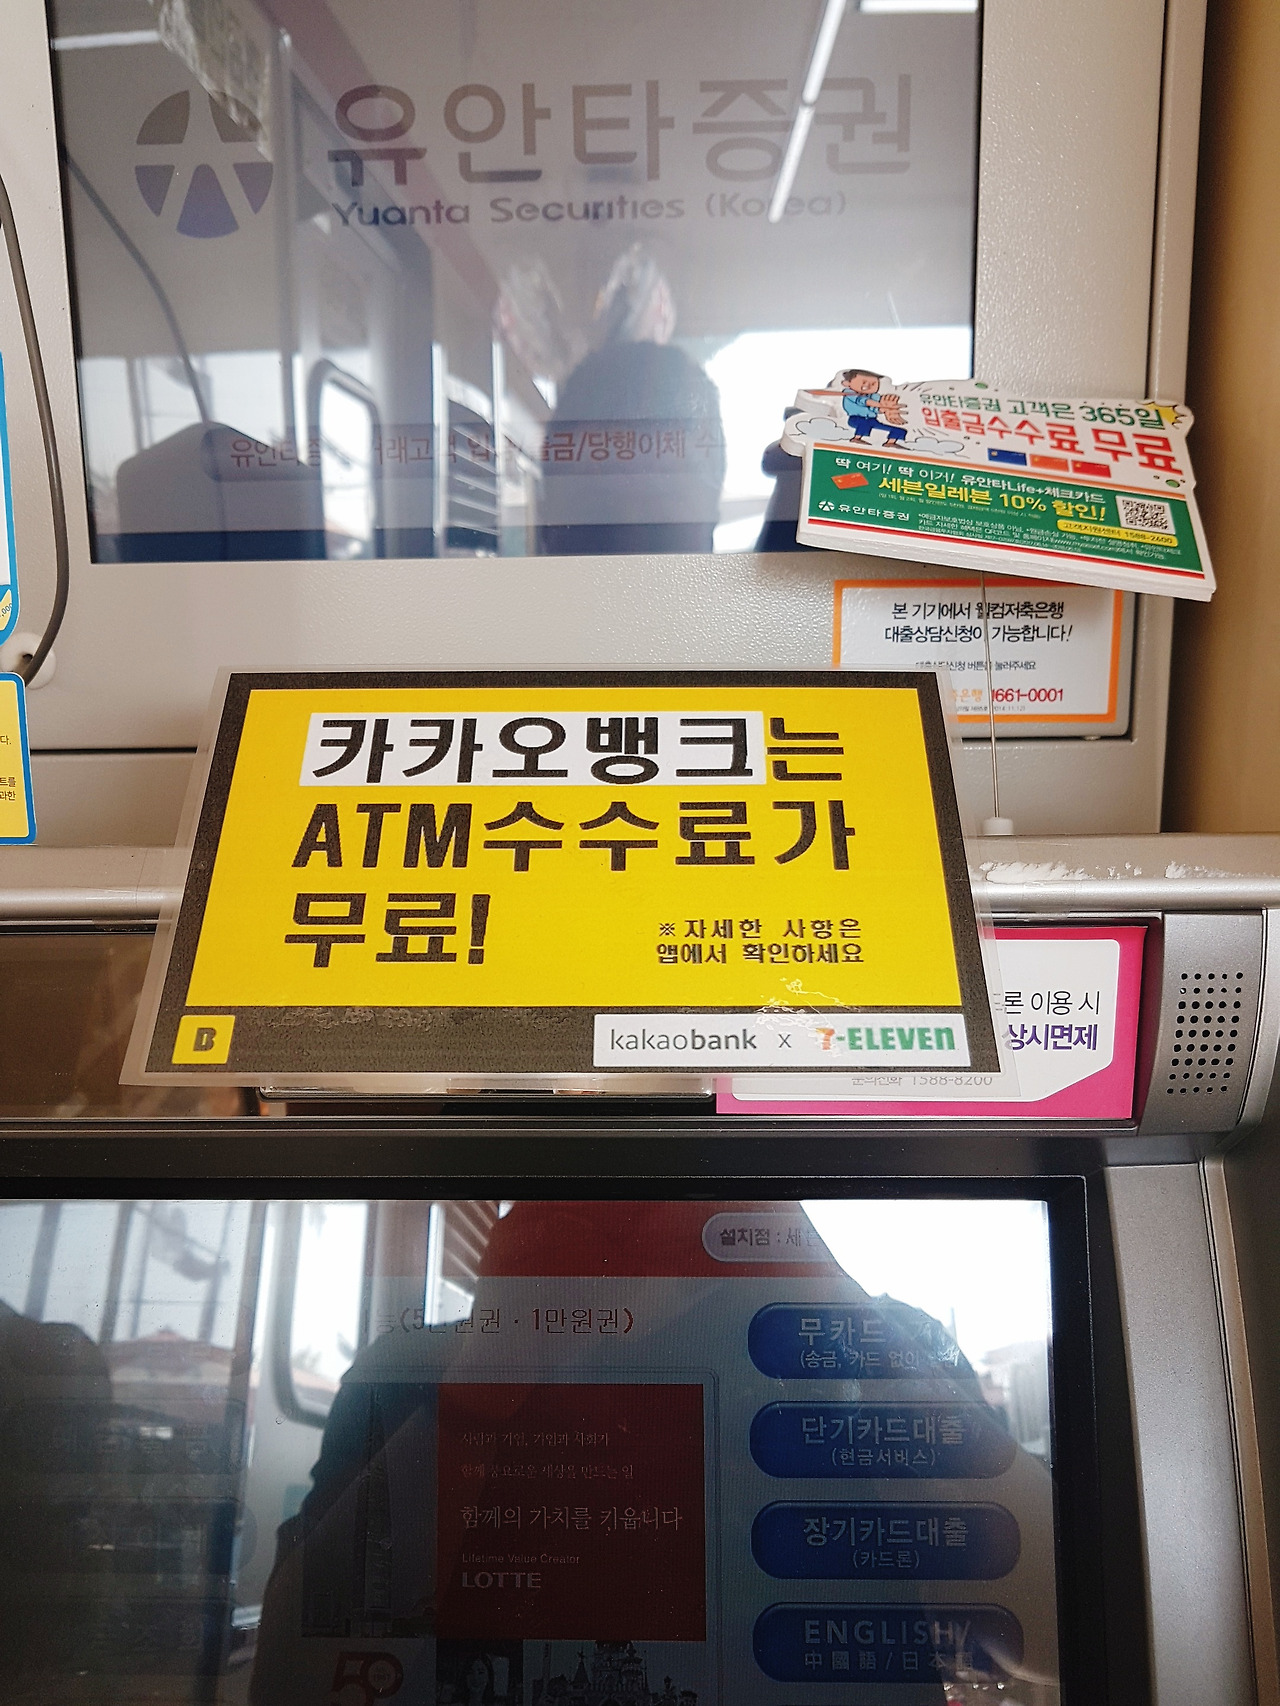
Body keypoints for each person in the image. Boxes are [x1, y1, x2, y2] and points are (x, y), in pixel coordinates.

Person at [839, 367, 907, 443]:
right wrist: (881, 405)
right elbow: (863, 401)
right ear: (847, 383)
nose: (868, 386)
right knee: (864, 424)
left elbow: (874, 408)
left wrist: (885, 410)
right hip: (856, 419)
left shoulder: (873, 396)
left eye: (873, 384)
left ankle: (890, 442)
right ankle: (857, 439)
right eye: (864, 382)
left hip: (872, 420)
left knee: (899, 430)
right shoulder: (849, 392)